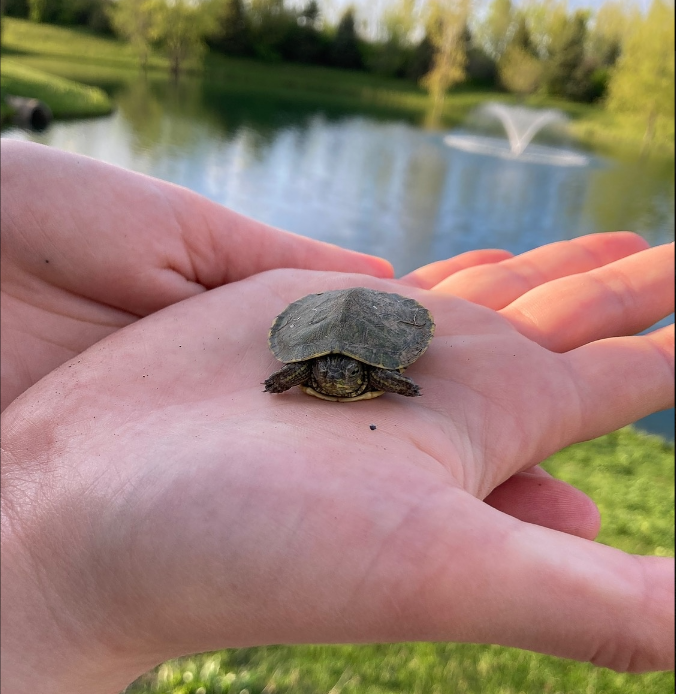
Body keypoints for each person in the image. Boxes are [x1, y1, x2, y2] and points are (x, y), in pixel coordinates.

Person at [1, 140, 673, 693]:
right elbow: (289, 374)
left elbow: (391, 379)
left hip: (370, 320)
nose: (335, 378)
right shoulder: (310, 371)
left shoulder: (370, 375)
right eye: (330, 373)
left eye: (343, 374)